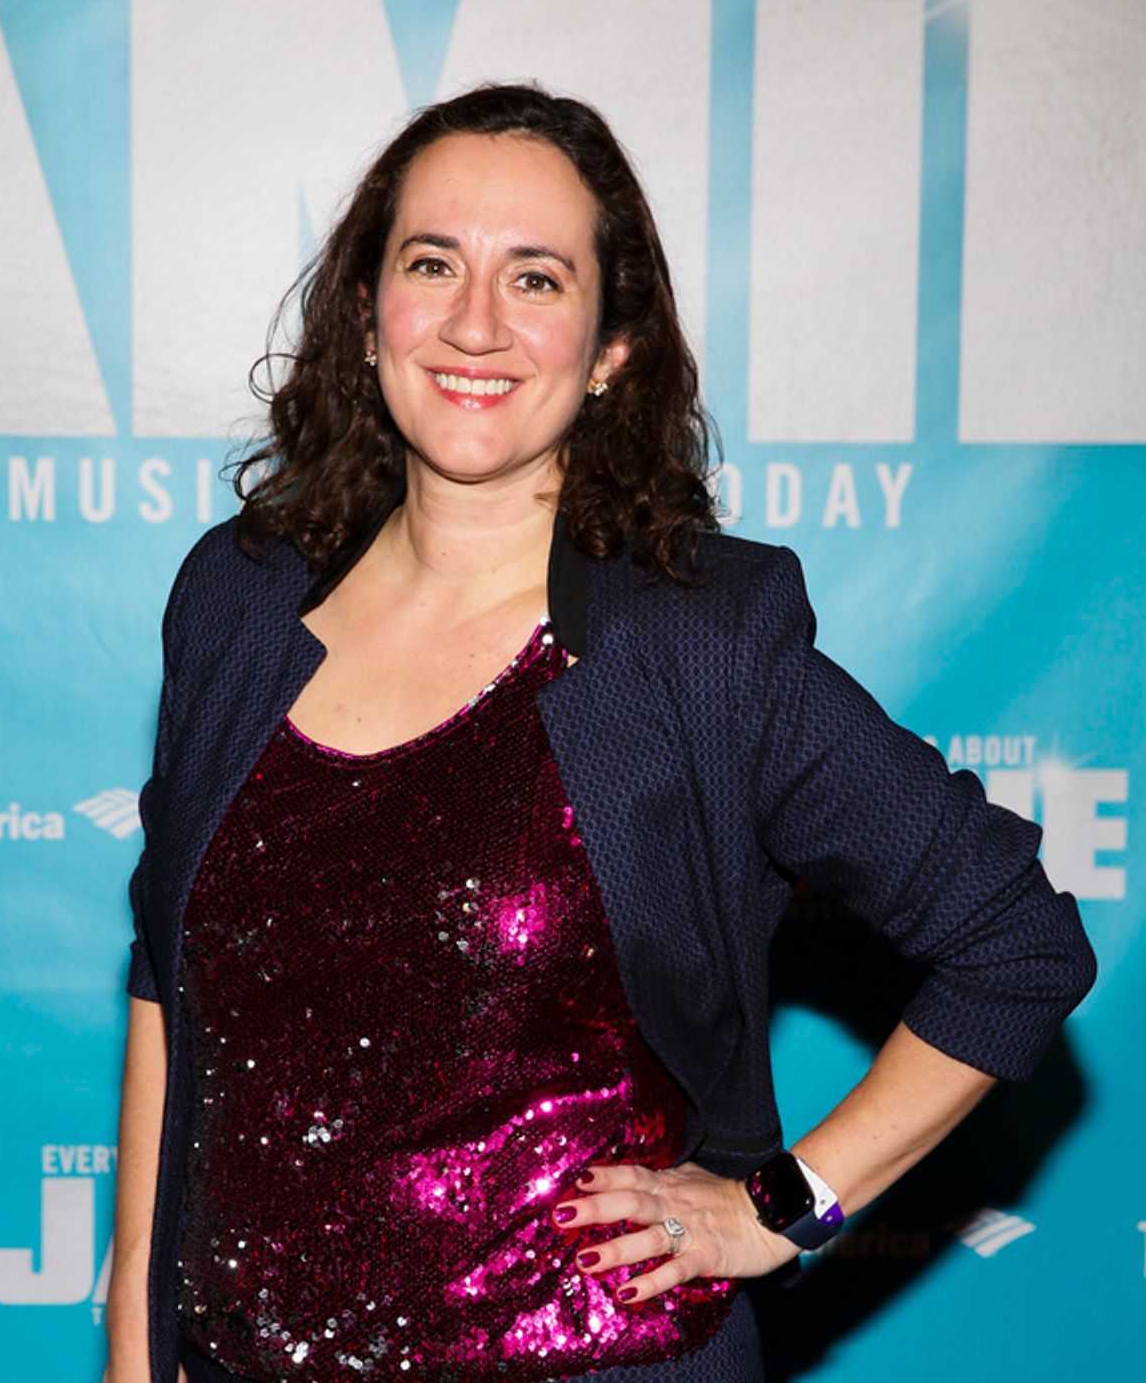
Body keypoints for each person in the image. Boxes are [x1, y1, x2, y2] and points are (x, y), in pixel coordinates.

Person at [103, 84, 1096, 1383]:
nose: (474, 323)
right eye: (432, 264)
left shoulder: (700, 649)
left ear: (612, 346)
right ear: (366, 310)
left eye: (536, 279)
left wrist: (781, 1209)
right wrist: (133, 1341)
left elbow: (1014, 943)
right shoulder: (233, 601)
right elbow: (171, 988)